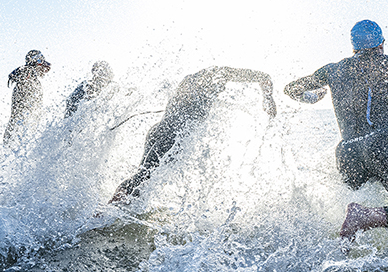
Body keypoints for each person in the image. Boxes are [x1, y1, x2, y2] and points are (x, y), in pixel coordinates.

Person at [284, 20, 388, 240]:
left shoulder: (332, 70)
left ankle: (353, 233)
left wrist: (313, 97)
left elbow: (291, 89)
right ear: (381, 44)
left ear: (353, 47)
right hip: (383, 146)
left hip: (347, 154)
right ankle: (365, 216)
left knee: (369, 199)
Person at [110, 66, 277, 204]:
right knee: (144, 175)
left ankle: (121, 210)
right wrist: (268, 99)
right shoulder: (210, 76)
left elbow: (264, 77)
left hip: (162, 132)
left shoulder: (199, 84)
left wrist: (266, 98)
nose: (222, 88)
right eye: (220, 85)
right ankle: (107, 211)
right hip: (168, 135)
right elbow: (262, 76)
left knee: (147, 179)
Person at [4, 50, 51, 147]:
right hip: (17, 130)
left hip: (20, 129)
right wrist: (25, 71)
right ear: (37, 62)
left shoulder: (34, 79)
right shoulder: (28, 71)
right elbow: (16, 74)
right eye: (42, 62)